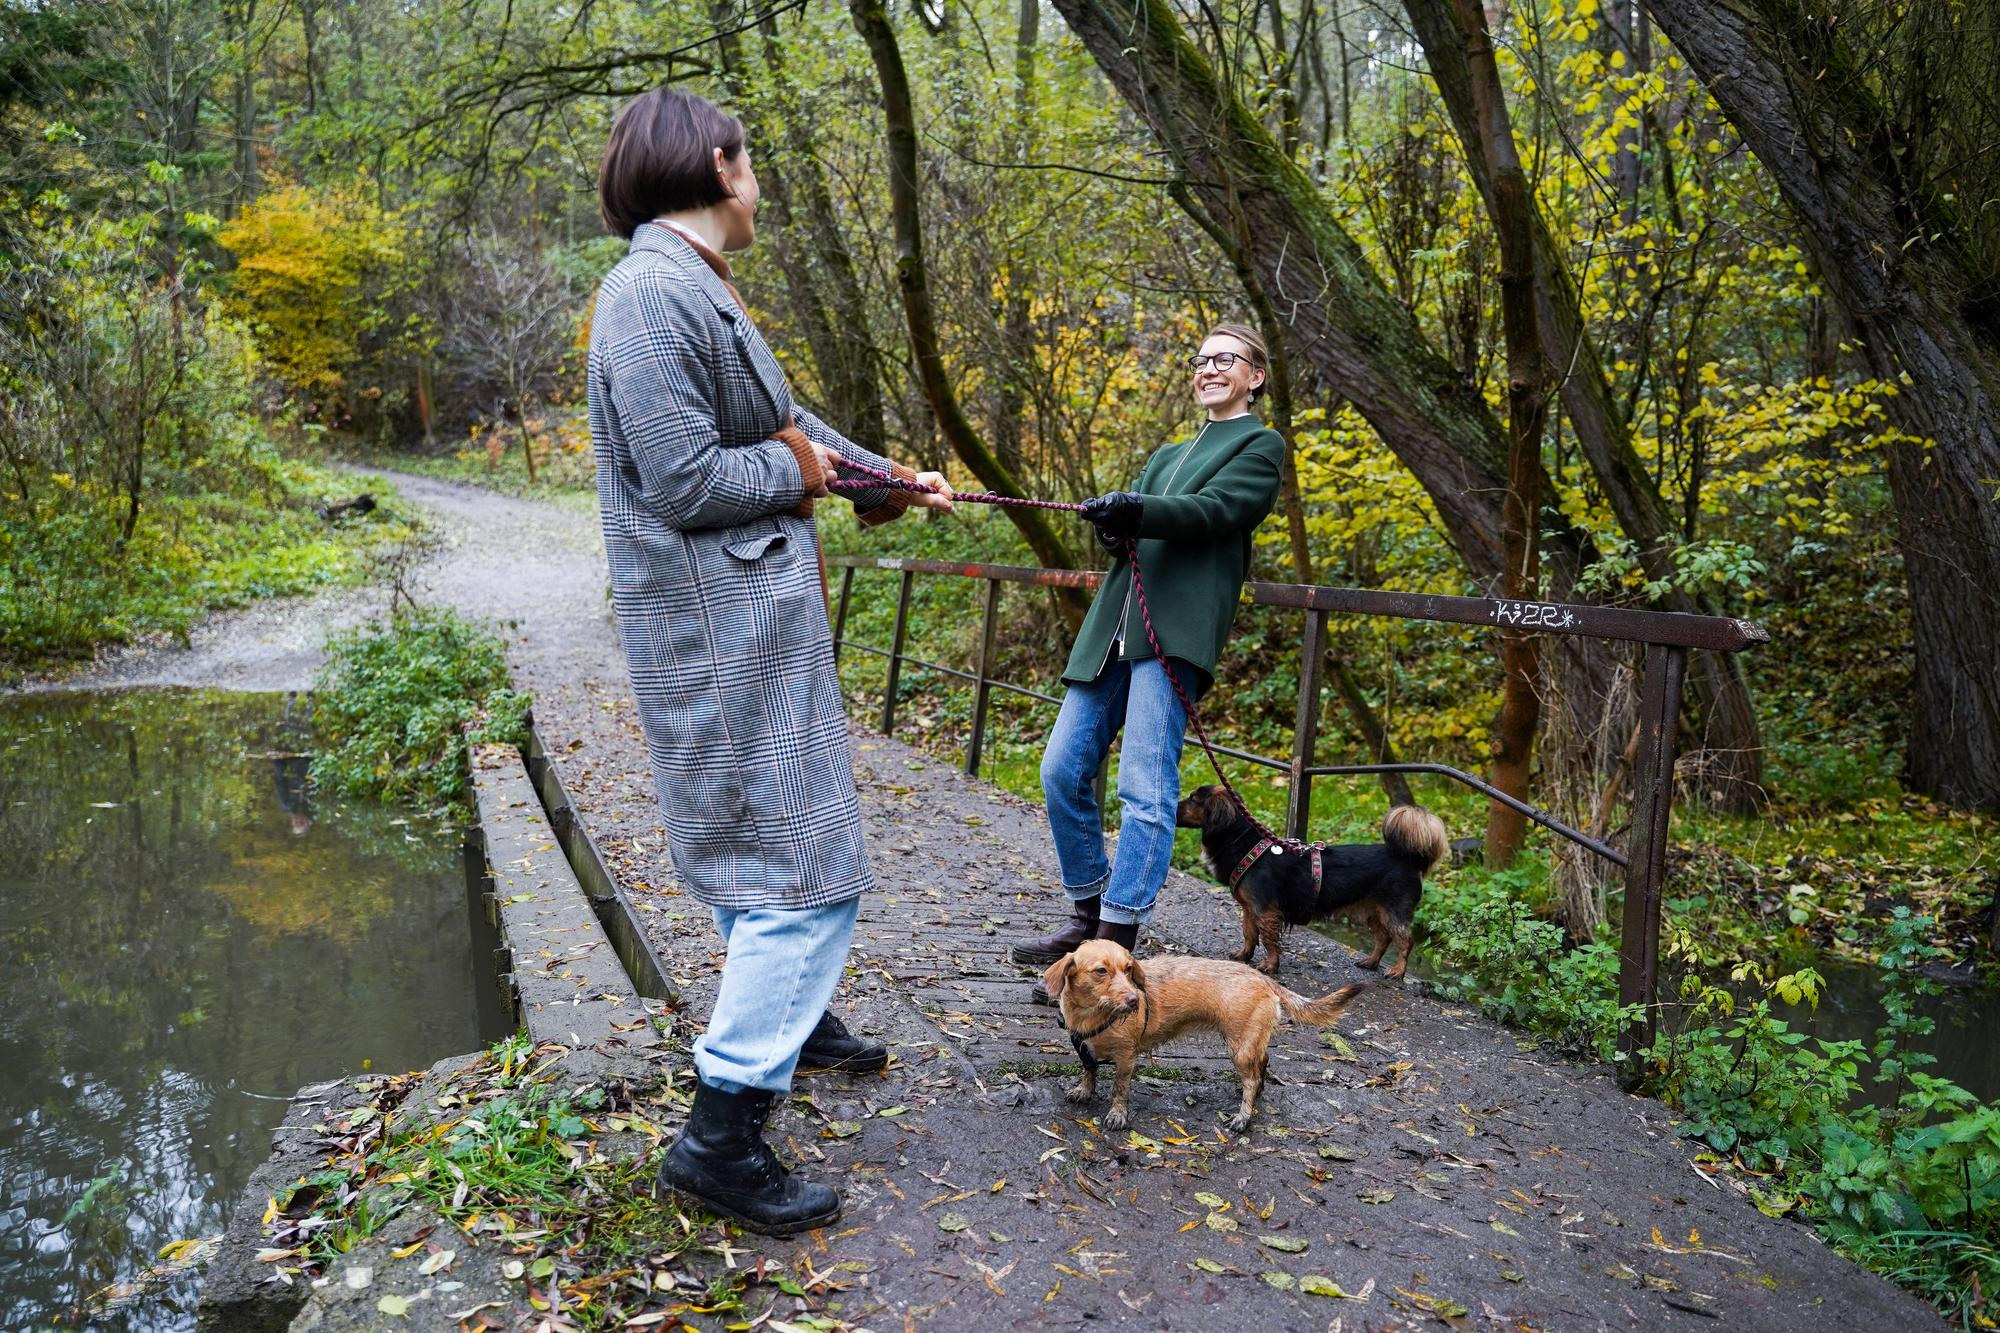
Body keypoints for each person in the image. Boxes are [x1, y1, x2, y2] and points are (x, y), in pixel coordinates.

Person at [588, 86, 954, 1235]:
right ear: (715, 163)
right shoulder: (648, 295)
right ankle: (721, 1132)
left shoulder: (694, 287)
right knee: (807, 871)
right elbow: (689, 477)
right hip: (718, 634)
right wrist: (803, 474)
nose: (761, 183)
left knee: (771, 851)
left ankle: (790, 1022)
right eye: (752, 161)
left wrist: (887, 478)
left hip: (748, 622)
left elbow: (789, 425)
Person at [1010, 325, 1285, 1000]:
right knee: (1061, 769)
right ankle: (1087, 915)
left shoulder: (1260, 444)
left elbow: (1218, 511)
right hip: (1114, 628)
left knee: (1145, 787)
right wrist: (1114, 524)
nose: (1208, 368)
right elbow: (1139, 526)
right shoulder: (1166, 453)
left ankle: (1118, 940)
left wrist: (1139, 509)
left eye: (1225, 358)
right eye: (1200, 361)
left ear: (1255, 376)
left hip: (1173, 630)